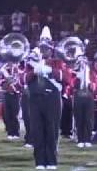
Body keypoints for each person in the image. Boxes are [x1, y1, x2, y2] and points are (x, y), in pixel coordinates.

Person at [25, 26, 69, 170]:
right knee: (37, 130)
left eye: (47, 48)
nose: (44, 51)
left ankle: (51, 161)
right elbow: (23, 80)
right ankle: (39, 162)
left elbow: (67, 78)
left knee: (51, 130)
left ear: (51, 49)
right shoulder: (31, 63)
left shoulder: (58, 62)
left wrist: (51, 70)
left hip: (52, 99)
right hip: (35, 100)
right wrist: (34, 71)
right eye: (42, 48)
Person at [0, 62, 21, 140]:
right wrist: (8, 81)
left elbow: (20, 83)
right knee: (7, 115)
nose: (11, 63)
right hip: (6, 95)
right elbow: (0, 84)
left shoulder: (18, 70)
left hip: (15, 95)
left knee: (15, 114)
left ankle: (16, 133)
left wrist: (14, 81)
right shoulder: (4, 71)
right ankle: (10, 132)